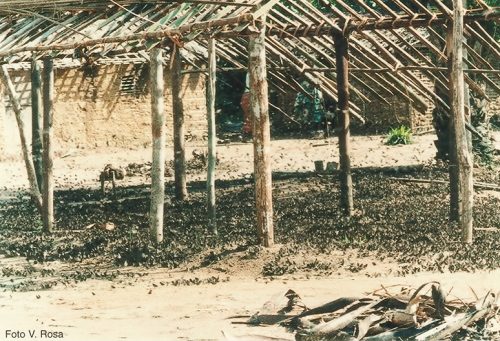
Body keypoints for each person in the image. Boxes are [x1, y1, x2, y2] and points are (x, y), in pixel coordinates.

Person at [240, 73, 252, 141]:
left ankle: (246, 134)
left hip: (247, 95)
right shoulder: (251, 73)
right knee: (249, 116)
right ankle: (247, 135)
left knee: (248, 116)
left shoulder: (248, 73)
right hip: (249, 95)